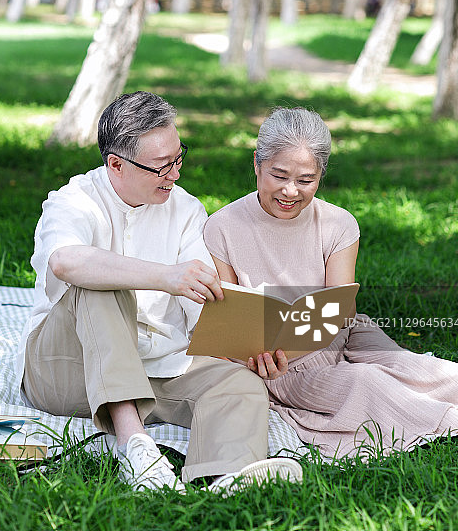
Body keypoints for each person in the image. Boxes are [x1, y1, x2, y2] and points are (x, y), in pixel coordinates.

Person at [16, 92, 302, 492]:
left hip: (158, 369)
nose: (174, 175)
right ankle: (135, 446)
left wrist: (246, 347)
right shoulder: (74, 201)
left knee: (238, 383)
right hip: (68, 372)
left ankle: (227, 477)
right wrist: (164, 276)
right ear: (116, 164)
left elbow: (200, 300)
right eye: (160, 167)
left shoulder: (186, 210)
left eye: (177, 158)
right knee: (98, 280)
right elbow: (65, 262)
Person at [203, 107, 458, 460]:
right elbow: (228, 326)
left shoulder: (338, 224)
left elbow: (339, 311)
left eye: (306, 180)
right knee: (366, 382)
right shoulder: (222, 226)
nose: (291, 191)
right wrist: (255, 361)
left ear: (321, 174)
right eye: (279, 175)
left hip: (342, 332)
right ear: (257, 164)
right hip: (278, 363)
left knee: (419, 368)